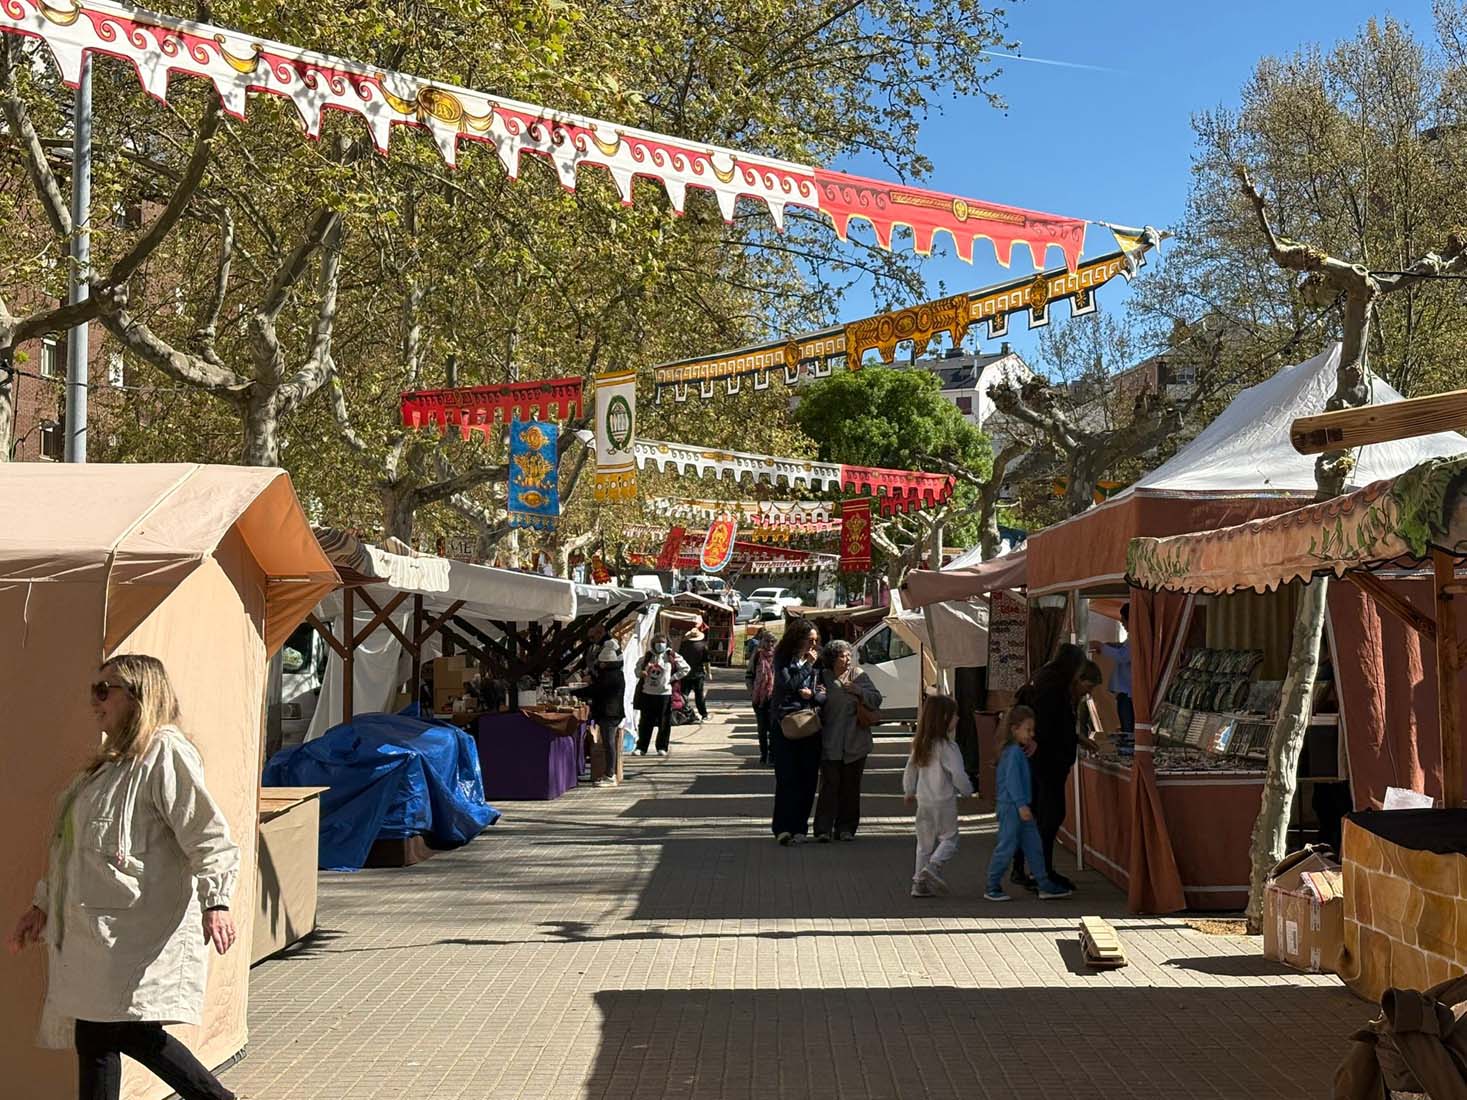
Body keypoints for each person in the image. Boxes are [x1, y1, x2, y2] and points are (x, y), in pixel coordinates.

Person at [8, 655, 240, 1100]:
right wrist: (41, 906)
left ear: (138, 695)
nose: (94, 702)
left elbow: (207, 832)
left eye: (104, 690)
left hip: (133, 932)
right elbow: (69, 849)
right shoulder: (106, 767)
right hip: (93, 937)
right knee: (98, 1035)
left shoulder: (165, 753)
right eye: (93, 689)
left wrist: (217, 901)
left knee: (125, 1032)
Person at [1012, 652, 1102, 894]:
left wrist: (1078, 739)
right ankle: (1042, 874)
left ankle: (1026, 869)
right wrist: (1072, 740)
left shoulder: (1045, 683)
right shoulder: (1053, 691)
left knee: (1040, 816)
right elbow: (1054, 728)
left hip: (1042, 763)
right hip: (1048, 764)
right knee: (1050, 817)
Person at [985, 706, 1073, 901]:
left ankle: (1043, 883)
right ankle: (992, 885)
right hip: (1013, 807)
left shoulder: (1012, 751)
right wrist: (1021, 804)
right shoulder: (1014, 752)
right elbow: (1013, 780)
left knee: (1033, 845)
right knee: (1008, 846)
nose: (1031, 734)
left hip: (1017, 806)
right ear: (1015, 729)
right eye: (1028, 730)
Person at [902, 694, 972, 897]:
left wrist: (909, 791)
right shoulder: (949, 748)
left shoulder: (921, 744)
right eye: (955, 715)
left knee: (923, 844)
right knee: (950, 838)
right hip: (944, 801)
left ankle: (918, 883)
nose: (958, 719)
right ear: (944, 719)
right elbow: (958, 774)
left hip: (923, 800)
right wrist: (967, 790)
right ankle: (933, 867)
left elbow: (910, 769)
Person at [813, 639, 882, 841]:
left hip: (855, 742)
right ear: (833, 658)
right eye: (843, 656)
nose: (848, 659)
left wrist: (860, 691)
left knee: (851, 789)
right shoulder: (823, 677)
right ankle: (823, 829)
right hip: (830, 742)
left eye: (849, 655)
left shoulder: (858, 676)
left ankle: (846, 828)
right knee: (829, 787)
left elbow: (876, 698)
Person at [770, 619, 826, 845]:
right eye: (809, 640)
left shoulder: (819, 661)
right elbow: (788, 685)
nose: (813, 645)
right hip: (785, 723)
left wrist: (813, 695)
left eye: (816, 641)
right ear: (797, 639)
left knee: (808, 778)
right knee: (787, 778)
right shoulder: (783, 658)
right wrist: (806, 667)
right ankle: (783, 828)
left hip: (809, 723)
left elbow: (823, 693)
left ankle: (800, 826)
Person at [634, 634, 689, 757]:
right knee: (645, 722)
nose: (660, 645)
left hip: (664, 694)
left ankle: (662, 746)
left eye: (662, 642)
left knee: (664, 722)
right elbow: (637, 670)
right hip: (648, 693)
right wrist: (641, 673)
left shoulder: (671, 656)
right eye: (657, 642)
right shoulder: (648, 657)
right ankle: (641, 747)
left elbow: (685, 668)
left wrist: (673, 678)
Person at [587, 639, 626, 785]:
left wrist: (574, 691)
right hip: (612, 713)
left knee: (609, 743)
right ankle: (609, 773)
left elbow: (596, 691)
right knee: (608, 743)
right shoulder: (616, 674)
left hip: (609, 713)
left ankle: (610, 774)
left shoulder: (609, 677)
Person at [1091, 604, 1134, 735]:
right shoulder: (1133, 638)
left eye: (1123, 620)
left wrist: (1101, 647)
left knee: (1128, 730)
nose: (1122, 623)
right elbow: (1124, 649)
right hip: (1126, 692)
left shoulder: (1137, 638)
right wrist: (1111, 645)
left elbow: (1123, 656)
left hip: (1128, 693)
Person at [745, 631, 777, 765]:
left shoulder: (778, 657)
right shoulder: (757, 655)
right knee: (762, 729)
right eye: (767, 641)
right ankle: (764, 754)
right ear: (762, 642)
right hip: (759, 699)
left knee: (773, 728)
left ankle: (771, 754)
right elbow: (749, 676)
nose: (769, 644)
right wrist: (753, 692)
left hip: (774, 698)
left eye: (772, 642)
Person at [678, 624, 710, 722]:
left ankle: (684, 712)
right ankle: (704, 714)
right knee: (699, 695)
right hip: (698, 674)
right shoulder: (703, 646)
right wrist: (709, 672)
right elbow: (706, 662)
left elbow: (679, 659)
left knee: (684, 695)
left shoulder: (683, 645)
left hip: (685, 674)